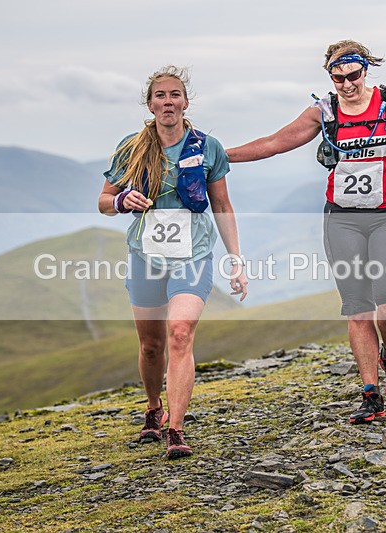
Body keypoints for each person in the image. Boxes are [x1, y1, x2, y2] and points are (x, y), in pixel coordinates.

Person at [226, 40, 386, 424]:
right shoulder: (324, 111)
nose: (346, 84)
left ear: (365, 70)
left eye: (353, 75)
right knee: (358, 308)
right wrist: (221, 154)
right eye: (337, 77)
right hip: (341, 218)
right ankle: (371, 393)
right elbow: (276, 142)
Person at [98, 65, 248, 459]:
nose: (168, 102)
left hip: (193, 254)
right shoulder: (130, 147)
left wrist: (236, 259)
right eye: (160, 96)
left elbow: (222, 204)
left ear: (185, 101)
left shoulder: (206, 147)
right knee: (151, 345)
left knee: (180, 333)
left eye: (175, 94)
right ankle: (153, 407)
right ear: (150, 104)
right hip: (145, 255)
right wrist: (120, 201)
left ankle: (176, 431)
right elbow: (103, 202)